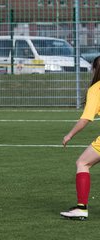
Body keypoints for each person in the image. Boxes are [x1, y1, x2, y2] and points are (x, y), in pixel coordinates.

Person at [60, 55, 100, 220]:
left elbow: (86, 118)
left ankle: (81, 208)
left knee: (82, 163)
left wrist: (69, 135)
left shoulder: (96, 88)